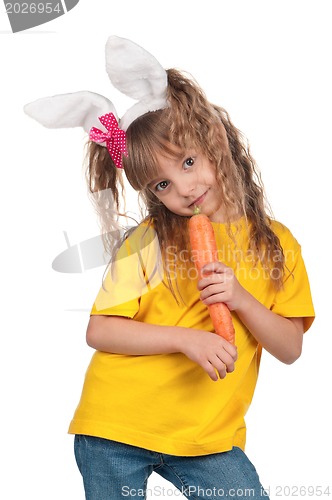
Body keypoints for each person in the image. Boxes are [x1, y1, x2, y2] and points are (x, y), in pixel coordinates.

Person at [25, 37, 315, 500]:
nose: (184, 187)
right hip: (115, 426)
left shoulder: (275, 244)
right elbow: (101, 330)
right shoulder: (149, 242)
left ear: (212, 140)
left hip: (206, 438)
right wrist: (187, 338)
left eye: (188, 161)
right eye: (163, 182)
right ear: (152, 193)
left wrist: (239, 299)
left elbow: (291, 347)